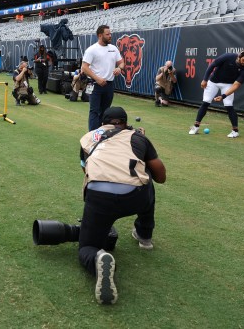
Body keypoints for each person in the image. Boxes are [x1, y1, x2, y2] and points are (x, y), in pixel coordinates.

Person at [78, 107, 166, 305]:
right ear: (125, 123)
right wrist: (142, 145)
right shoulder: (137, 137)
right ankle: (144, 236)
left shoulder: (88, 137)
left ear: (103, 123)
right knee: (147, 180)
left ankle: (97, 260)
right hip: (134, 197)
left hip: (99, 197)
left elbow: (86, 168)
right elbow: (161, 176)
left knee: (87, 246)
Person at [188, 49, 244, 138]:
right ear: (239, 56)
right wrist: (205, 79)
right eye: (243, 60)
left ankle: (235, 131)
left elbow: (236, 85)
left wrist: (223, 96)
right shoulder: (228, 56)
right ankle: (196, 126)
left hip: (228, 85)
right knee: (206, 102)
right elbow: (212, 65)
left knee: (229, 105)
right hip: (213, 82)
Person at [81, 25, 125, 131]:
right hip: (95, 84)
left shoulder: (114, 49)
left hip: (109, 85)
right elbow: (84, 67)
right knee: (94, 111)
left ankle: (103, 133)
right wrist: (97, 79)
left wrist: (119, 68)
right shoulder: (92, 50)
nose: (110, 36)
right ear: (100, 35)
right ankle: (93, 136)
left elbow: (122, 62)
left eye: (110, 34)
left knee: (106, 112)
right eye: (107, 34)